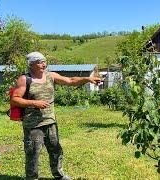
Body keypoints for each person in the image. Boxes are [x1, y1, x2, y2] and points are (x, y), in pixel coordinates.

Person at [11, 52, 101, 180]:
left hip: (50, 122)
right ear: (31, 64)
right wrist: (34, 103)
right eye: (40, 62)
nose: (44, 64)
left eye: (44, 61)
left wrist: (87, 79)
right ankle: (31, 178)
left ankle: (59, 175)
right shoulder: (24, 79)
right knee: (33, 154)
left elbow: (70, 80)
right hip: (33, 125)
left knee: (56, 150)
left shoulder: (51, 76)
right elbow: (15, 99)